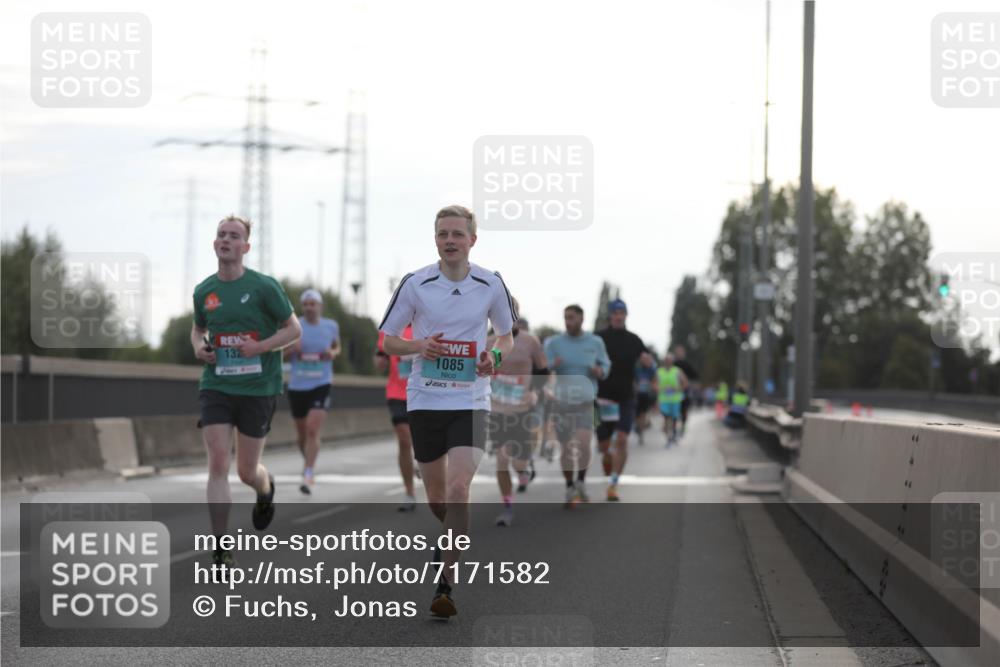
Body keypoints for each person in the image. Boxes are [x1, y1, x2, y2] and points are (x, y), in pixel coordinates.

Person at [379, 205, 516, 618]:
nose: (450, 240)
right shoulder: (415, 285)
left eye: (458, 233)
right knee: (438, 500)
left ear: (473, 239)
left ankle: (446, 583)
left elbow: (507, 337)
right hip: (425, 399)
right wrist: (419, 346)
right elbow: (386, 341)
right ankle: (448, 537)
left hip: (471, 400)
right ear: (435, 239)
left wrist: (493, 355)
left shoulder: (490, 284)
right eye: (443, 234)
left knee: (458, 491)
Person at [192, 215, 301, 567]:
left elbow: (294, 329)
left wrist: (262, 346)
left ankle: (264, 489)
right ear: (214, 244)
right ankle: (221, 546)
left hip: (258, 388)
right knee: (218, 462)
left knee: (245, 471)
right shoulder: (204, 291)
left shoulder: (264, 287)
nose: (226, 240)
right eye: (221, 234)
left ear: (246, 247)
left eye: (234, 236)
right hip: (217, 385)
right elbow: (197, 330)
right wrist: (198, 347)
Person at [487, 300, 548, 526]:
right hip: (497, 410)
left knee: (518, 463)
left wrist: (536, 393)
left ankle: (525, 469)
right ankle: (508, 506)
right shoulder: (488, 342)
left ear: (517, 313)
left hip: (523, 409)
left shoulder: (530, 341)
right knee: (502, 460)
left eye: (510, 312)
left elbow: (543, 371)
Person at [544, 304, 611, 508]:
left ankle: (581, 481)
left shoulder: (595, 342)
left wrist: (600, 371)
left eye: (571, 318)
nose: (568, 322)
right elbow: (542, 366)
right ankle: (569, 486)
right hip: (562, 403)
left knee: (583, 444)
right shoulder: (554, 342)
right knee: (565, 448)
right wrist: (552, 365)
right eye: (565, 318)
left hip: (587, 402)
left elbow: (606, 365)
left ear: (582, 319)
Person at [284, 289, 340, 494]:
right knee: (301, 434)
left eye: (312, 304)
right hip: (298, 385)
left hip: (321, 383)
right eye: (305, 304)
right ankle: (308, 460)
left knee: (312, 429)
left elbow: (336, 347)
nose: (309, 307)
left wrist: (331, 353)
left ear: (319, 306)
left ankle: (308, 472)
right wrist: (292, 350)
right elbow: (278, 354)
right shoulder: (293, 326)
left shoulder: (331, 326)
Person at [595, 299, 649, 502]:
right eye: (615, 313)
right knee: (603, 447)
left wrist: (647, 363)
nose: (618, 316)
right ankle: (609, 463)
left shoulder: (634, 340)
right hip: (602, 398)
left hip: (626, 397)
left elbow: (648, 362)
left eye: (622, 313)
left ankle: (614, 484)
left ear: (626, 315)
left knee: (623, 439)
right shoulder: (598, 338)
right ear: (610, 316)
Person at [376, 324, 419, 511]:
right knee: (404, 440)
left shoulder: (428, 322)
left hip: (424, 393)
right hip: (397, 393)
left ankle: (423, 460)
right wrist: (380, 361)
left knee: (425, 440)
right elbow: (380, 355)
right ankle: (409, 493)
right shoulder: (391, 327)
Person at [655, 354, 688, 446]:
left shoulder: (677, 371)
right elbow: (654, 383)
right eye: (666, 360)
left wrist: (678, 389)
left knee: (674, 418)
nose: (668, 362)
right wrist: (658, 388)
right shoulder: (659, 371)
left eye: (669, 360)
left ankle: (673, 433)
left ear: (672, 361)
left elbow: (685, 383)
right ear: (664, 361)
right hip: (664, 399)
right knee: (666, 417)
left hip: (675, 399)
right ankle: (668, 436)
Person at [671, 345, 699, 437]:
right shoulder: (672, 365)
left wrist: (688, 381)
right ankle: (674, 428)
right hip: (674, 391)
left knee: (684, 409)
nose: (679, 354)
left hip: (685, 390)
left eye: (680, 352)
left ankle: (683, 425)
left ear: (683, 353)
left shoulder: (687, 364)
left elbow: (695, 375)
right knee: (674, 410)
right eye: (677, 352)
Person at [633, 354, 657, 445]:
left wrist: (653, 387)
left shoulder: (652, 370)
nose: (645, 361)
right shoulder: (637, 369)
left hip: (647, 395)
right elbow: (634, 380)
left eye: (647, 359)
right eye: (643, 359)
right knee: (637, 414)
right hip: (637, 394)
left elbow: (655, 380)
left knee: (643, 413)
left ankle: (641, 432)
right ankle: (639, 427)